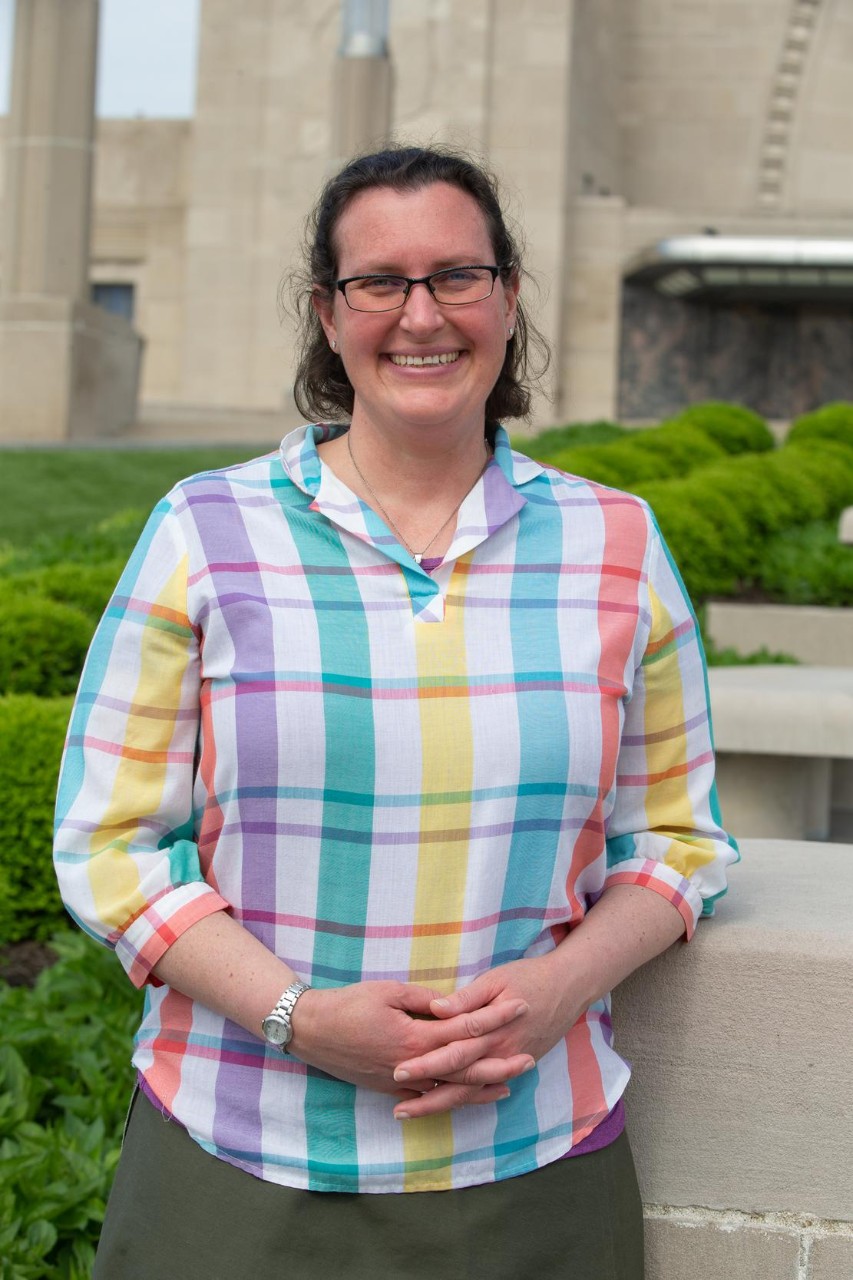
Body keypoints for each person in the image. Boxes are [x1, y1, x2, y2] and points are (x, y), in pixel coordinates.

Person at [54, 145, 738, 1279]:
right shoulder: (205, 532)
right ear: (328, 314)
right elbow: (110, 844)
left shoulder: (614, 544)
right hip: (235, 1163)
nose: (421, 315)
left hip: (536, 1163)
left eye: (457, 276)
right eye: (378, 281)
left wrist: (556, 990)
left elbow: (677, 837)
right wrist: (298, 1015)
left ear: (507, 299)